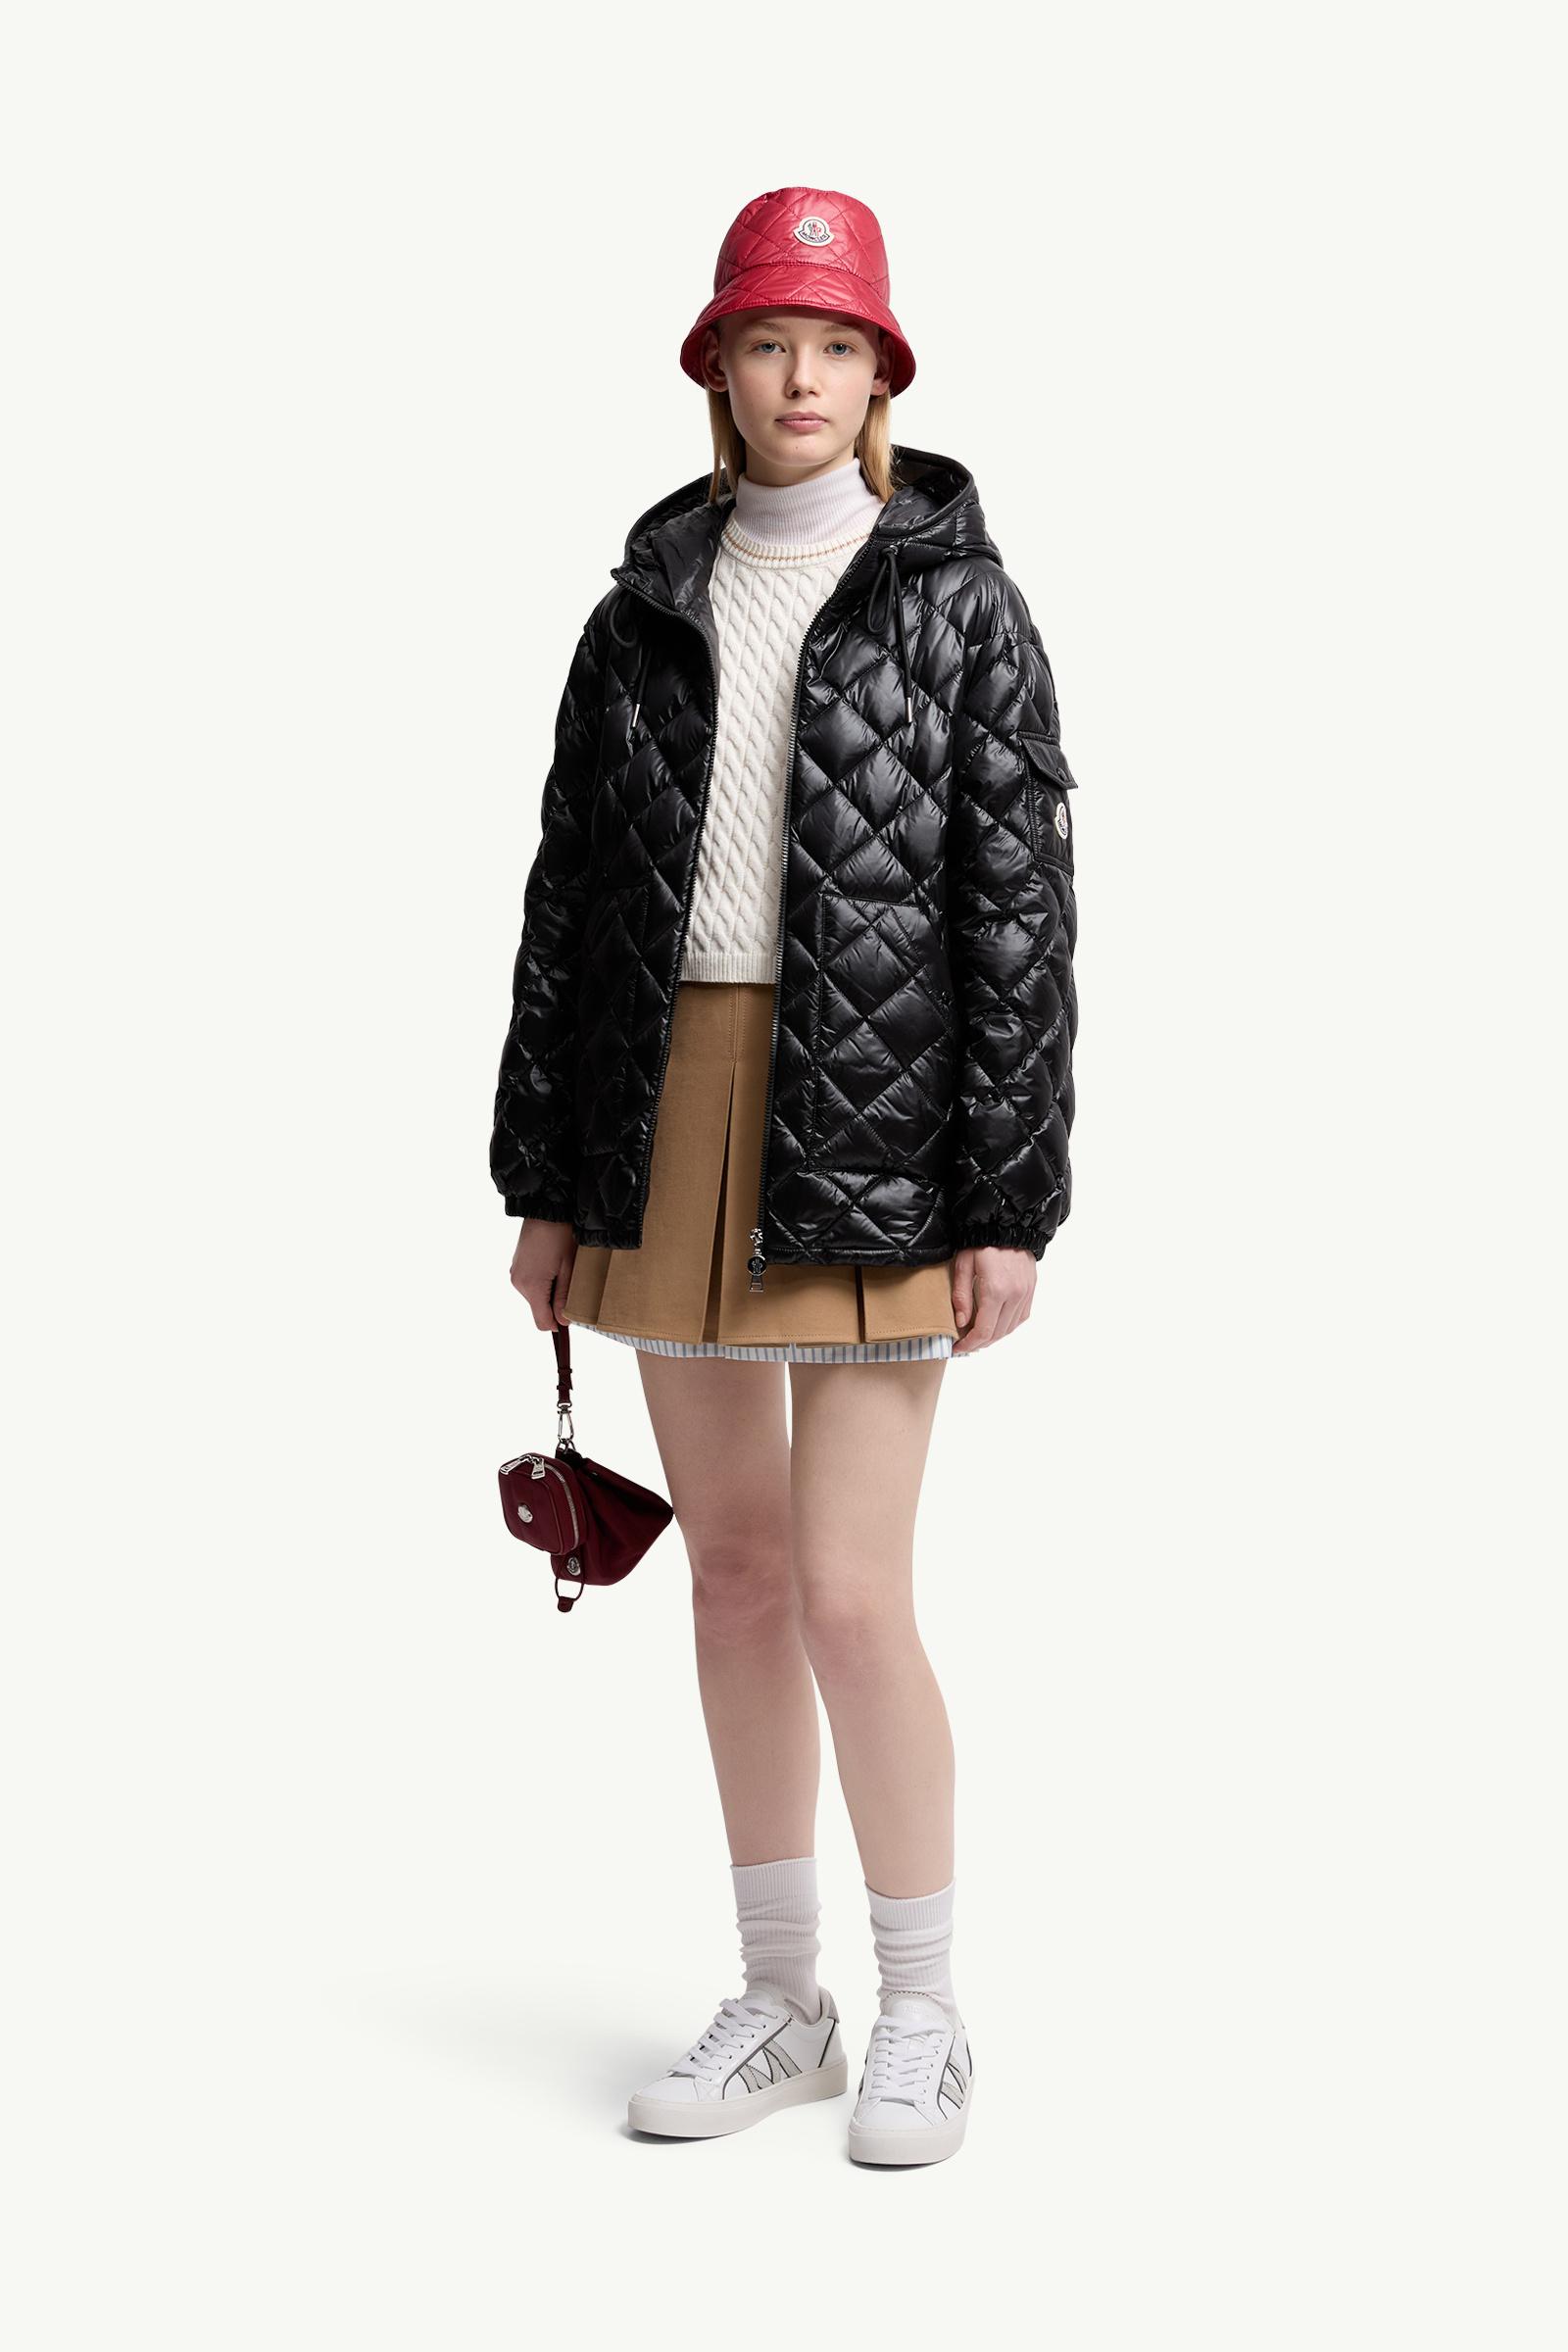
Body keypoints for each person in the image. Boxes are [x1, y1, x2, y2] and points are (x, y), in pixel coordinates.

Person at [490, 185, 1080, 2165]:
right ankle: (782, 1998)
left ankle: (922, 2010)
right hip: (664, 1104)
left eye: (836, 345)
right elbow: (566, 903)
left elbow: (1019, 916)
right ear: (719, 372)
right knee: (733, 1576)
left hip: (886, 1117)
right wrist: (544, 1178)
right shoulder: (634, 614)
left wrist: (1005, 1200)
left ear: (880, 374)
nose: (802, 376)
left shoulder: (964, 605)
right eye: (769, 342)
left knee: (845, 1588)